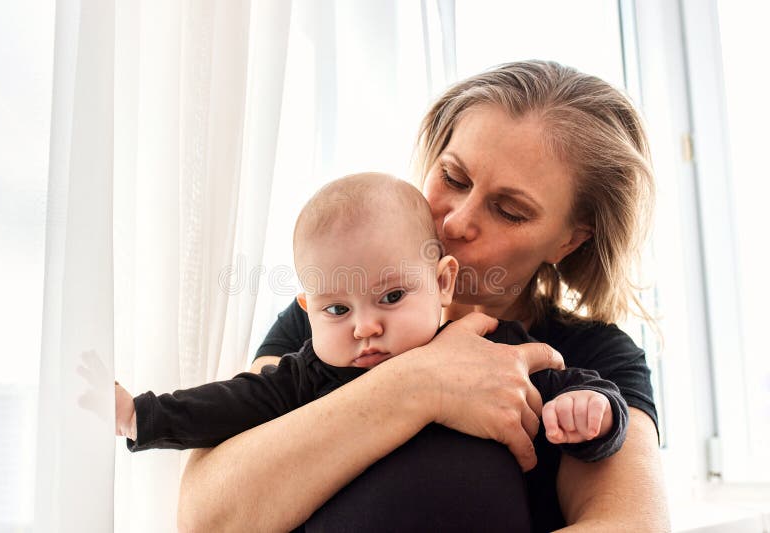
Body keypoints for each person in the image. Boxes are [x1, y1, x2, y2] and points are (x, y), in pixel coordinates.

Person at [178, 61, 669, 532]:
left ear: (569, 240)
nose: (457, 221)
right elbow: (208, 517)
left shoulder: (595, 357)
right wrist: (421, 384)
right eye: (453, 178)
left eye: (510, 210)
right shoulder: (337, 319)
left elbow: (631, 525)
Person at [115, 174, 629, 531]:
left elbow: (576, 388)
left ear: (442, 281)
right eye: (336, 309)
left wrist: (593, 412)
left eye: (390, 298)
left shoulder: (498, 346)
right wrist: (144, 414)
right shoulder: (308, 371)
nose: (364, 326)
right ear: (309, 309)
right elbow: (225, 407)